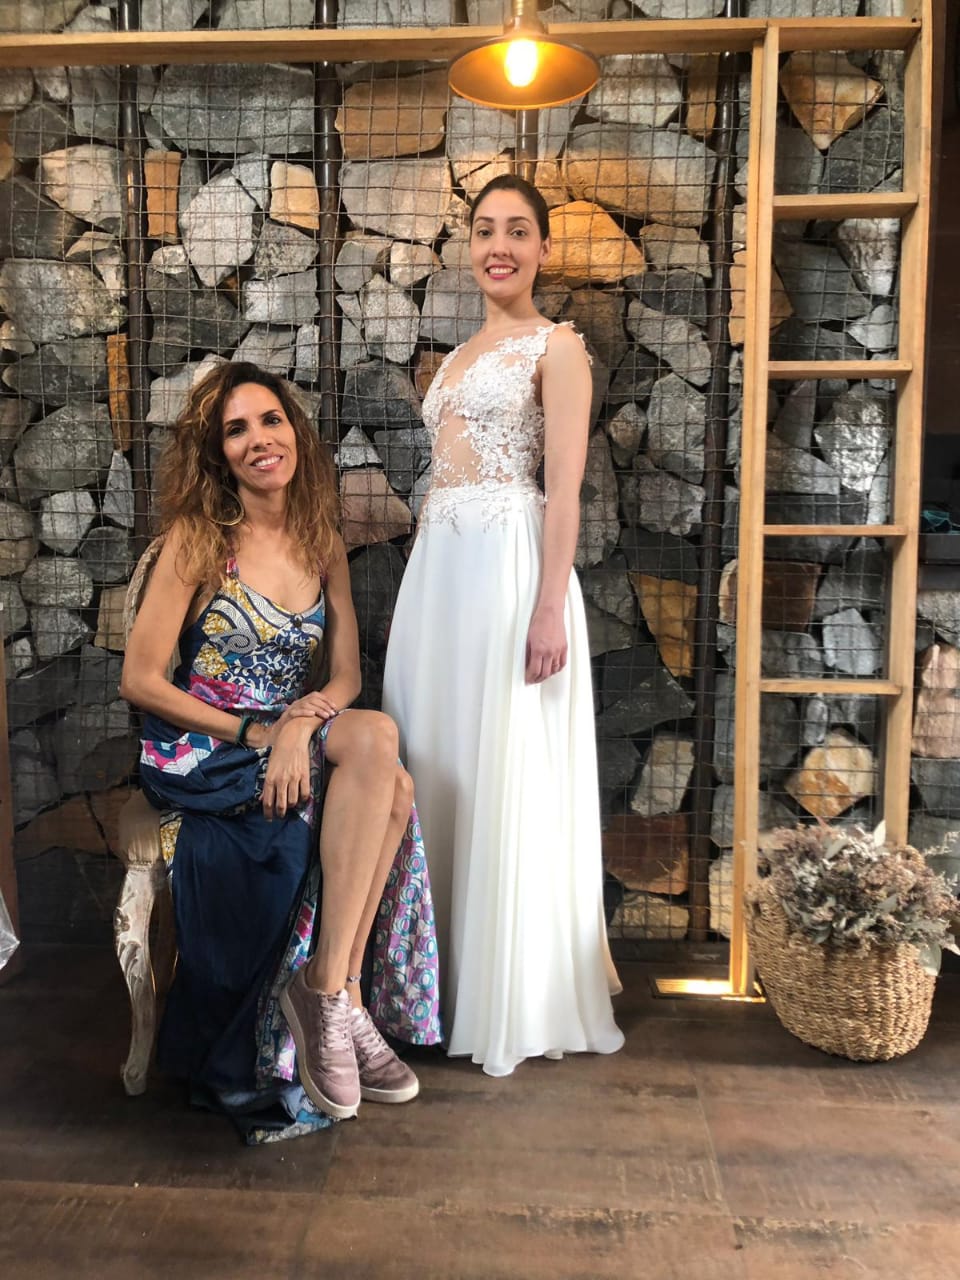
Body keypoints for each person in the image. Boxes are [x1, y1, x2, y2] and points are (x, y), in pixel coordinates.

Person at [121, 361, 440, 1142]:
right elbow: (141, 679)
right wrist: (255, 732)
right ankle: (339, 998)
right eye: (236, 430)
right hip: (202, 745)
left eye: (270, 420)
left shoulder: (320, 538)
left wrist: (298, 724)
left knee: (383, 757)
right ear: (219, 453)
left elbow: (346, 674)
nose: (259, 439)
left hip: (280, 728)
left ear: (293, 431)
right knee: (388, 775)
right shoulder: (199, 542)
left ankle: (330, 989)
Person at [382, 175, 624, 1078]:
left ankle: (506, 995)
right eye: (486, 230)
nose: (500, 246)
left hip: (511, 572)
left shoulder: (558, 348)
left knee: (504, 761)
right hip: (441, 577)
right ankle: (430, 984)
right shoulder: (454, 359)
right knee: (439, 756)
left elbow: (564, 491)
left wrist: (549, 605)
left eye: (519, 231)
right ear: (469, 246)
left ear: (544, 250)